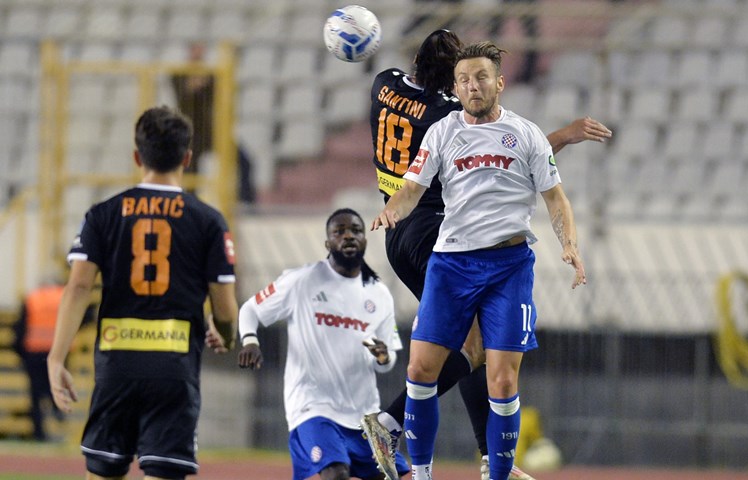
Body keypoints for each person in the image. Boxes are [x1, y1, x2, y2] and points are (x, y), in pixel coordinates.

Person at [364, 29, 611, 480]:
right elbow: (501, 149)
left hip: (399, 228)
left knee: (474, 345)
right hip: (435, 229)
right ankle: (393, 424)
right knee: (471, 346)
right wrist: (565, 135)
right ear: (452, 84)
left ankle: (485, 456)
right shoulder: (446, 117)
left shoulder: (385, 84)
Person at [47, 106, 239, 480]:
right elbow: (226, 309)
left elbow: (78, 287)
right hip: (173, 369)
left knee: (103, 470)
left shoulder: (102, 214)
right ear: (187, 157)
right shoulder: (208, 221)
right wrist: (226, 335)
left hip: (116, 366)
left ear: (137, 157)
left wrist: (56, 358)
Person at [237, 208, 411, 480]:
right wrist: (250, 340)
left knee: (391, 476)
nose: (348, 236)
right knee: (336, 473)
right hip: (313, 408)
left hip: (363, 415)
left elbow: (387, 363)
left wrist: (382, 356)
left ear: (365, 239)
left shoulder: (380, 295)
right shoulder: (301, 281)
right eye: (339, 231)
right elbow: (250, 309)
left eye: (355, 230)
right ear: (327, 243)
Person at [171, 41, 255, 202]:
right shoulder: (179, 74)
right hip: (191, 133)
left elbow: (218, 91)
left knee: (244, 161)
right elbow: (186, 92)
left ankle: (247, 202)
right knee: (189, 170)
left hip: (211, 131)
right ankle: (190, 204)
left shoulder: (212, 75)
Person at [12, 283, 67, 441]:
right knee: (56, 388)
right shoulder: (63, 295)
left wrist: (20, 352)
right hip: (59, 351)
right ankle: (59, 418)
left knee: (36, 394)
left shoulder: (33, 298)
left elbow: (21, 326)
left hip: (34, 351)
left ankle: (40, 433)